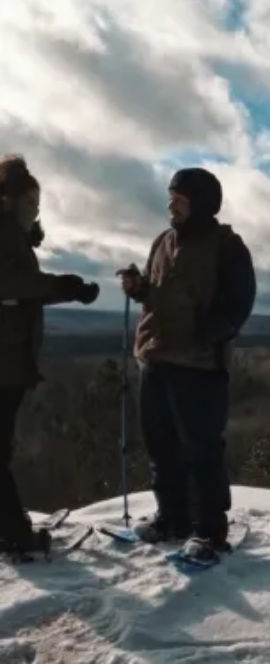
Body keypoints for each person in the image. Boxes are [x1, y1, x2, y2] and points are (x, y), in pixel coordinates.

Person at [118, 167, 255, 564]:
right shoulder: (163, 241)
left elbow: (239, 301)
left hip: (198, 365)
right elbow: (155, 292)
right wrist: (138, 287)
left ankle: (209, 532)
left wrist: (206, 333)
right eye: (170, 198)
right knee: (161, 447)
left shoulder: (227, 246)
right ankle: (172, 518)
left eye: (178, 200)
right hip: (155, 357)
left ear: (201, 203)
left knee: (201, 451)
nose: (170, 206)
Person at [0, 154, 100, 557]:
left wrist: (66, 290)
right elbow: (11, 283)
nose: (35, 212)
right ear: (8, 200)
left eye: (38, 207)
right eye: (30, 204)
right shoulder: (3, 233)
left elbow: (20, 294)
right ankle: (14, 535)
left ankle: (9, 529)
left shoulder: (13, 236)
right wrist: (65, 286)